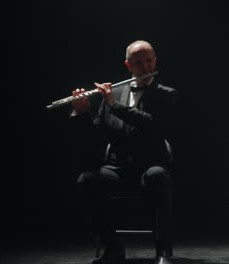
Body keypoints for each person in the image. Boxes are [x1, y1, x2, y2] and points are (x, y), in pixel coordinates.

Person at [71, 40, 177, 264]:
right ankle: (113, 248)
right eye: (138, 63)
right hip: (118, 167)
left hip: (150, 165)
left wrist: (114, 106)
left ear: (155, 61)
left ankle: (163, 252)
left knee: (158, 176)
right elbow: (96, 135)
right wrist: (82, 113)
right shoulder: (115, 93)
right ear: (128, 66)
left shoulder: (166, 94)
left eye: (149, 61)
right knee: (86, 180)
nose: (145, 67)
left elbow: (150, 124)